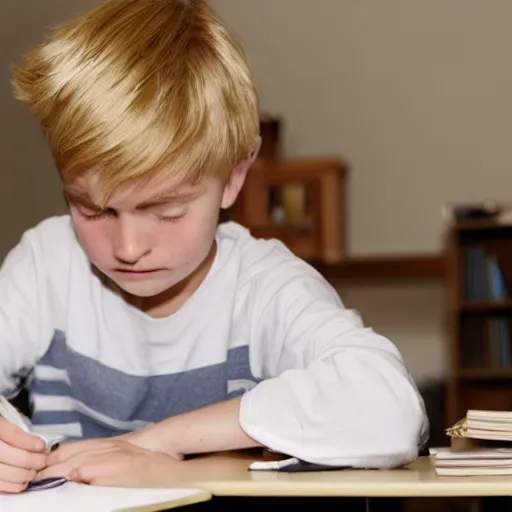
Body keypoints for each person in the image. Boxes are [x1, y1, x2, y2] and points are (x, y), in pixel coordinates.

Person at [0, 0, 428, 492]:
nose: (129, 246)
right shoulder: (47, 264)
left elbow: (390, 408)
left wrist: (161, 444)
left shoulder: (264, 286)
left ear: (233, 177)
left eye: (167, 211)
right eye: (92, 210)